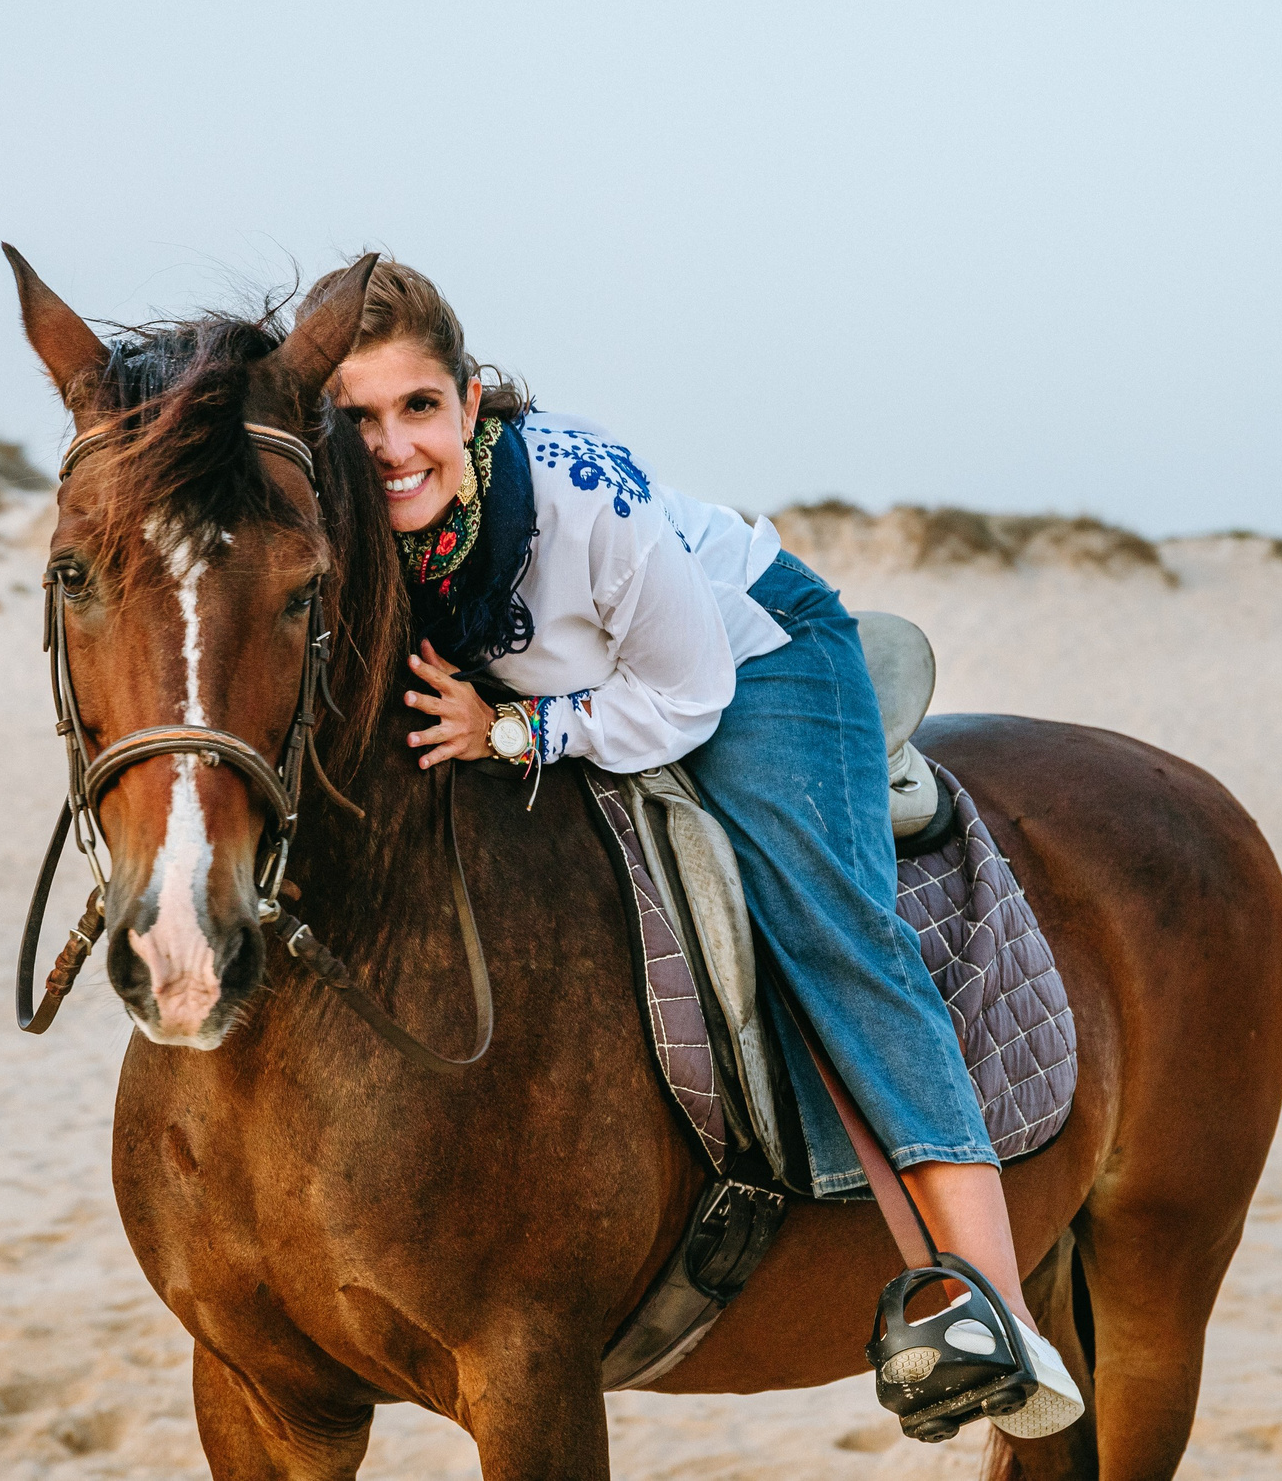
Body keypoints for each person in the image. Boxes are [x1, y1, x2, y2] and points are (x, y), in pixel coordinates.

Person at [299, 258, 1084, 1440]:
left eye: (418, 407)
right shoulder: (338, 504)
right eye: (357, 417)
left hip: (750, 663)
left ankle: (989, 1308)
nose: (392, 444)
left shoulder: (579, 495)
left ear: (467, 403)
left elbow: (681, 697)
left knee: (827, 926)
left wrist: (511, 730)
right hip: (581, 680)